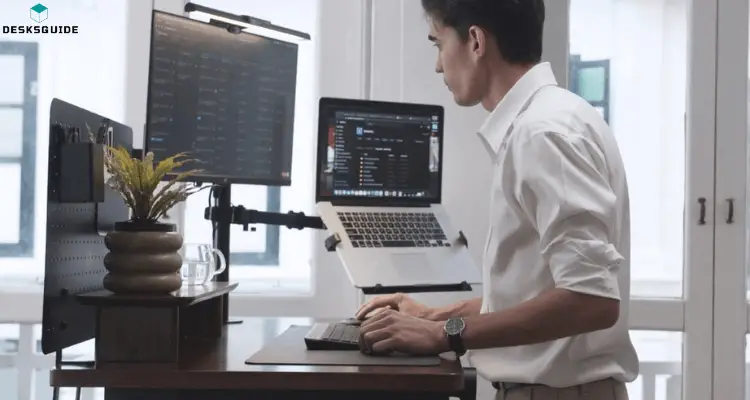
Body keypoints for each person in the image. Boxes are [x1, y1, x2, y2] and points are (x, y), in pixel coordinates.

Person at [355, 1, 639, 399]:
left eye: (438, 43)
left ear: (475, 41)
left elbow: (591, 299)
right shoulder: (553, 118)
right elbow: (535, 296)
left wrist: (443, 334)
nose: (438, 65)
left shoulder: (543, 133)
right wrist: (432, 315)